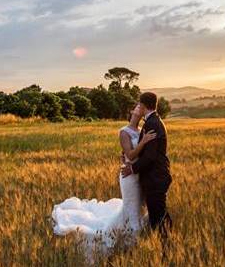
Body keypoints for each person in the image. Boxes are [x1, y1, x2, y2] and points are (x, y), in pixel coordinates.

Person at [51, 104, 156, 246]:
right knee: (131, 206)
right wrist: (142, 143)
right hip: (129, 176)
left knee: (138, 207)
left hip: (139, 173)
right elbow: (130, 156)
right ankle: (130, 240)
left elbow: (139, 154)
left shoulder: (141, 130)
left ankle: (131, 233)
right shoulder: (124, 132)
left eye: (141, 107)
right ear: (131, 111)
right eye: (137, 106)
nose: (140, 108)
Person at [121, 92, 172, 237]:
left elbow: (150, 156)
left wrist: (132, 168)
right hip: (154, 177)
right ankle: (168, 241)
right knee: (158, 213)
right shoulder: (154, 121)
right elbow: (141, 151)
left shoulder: (152, 124)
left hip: (155, 177)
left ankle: (166, 244)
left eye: (139, 104)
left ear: (143, 105)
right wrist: (126, 155)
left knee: (157, 216)